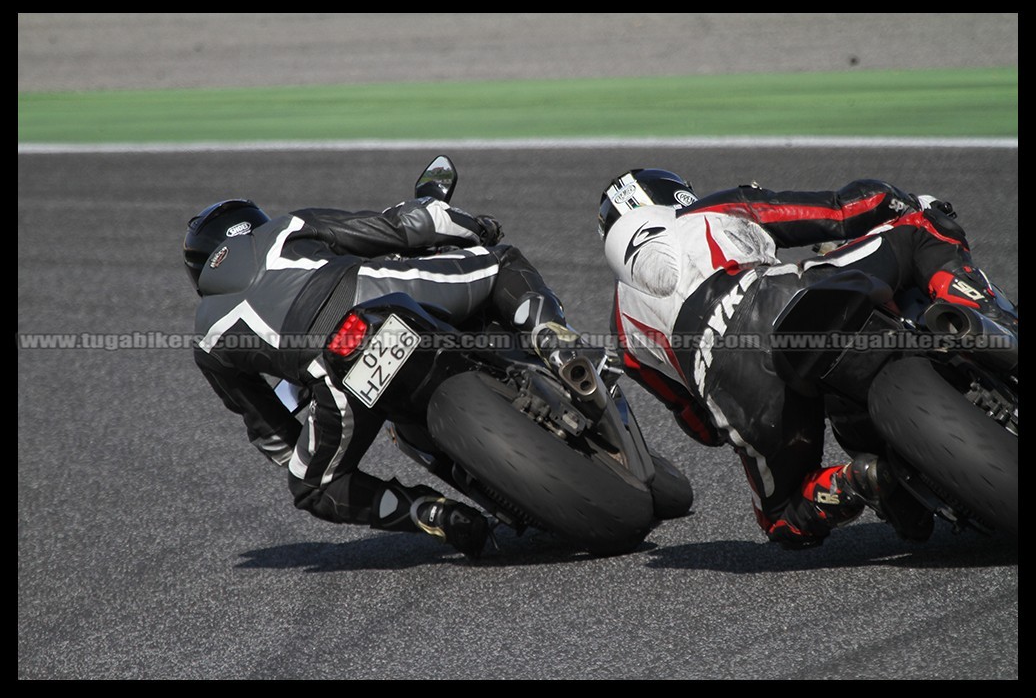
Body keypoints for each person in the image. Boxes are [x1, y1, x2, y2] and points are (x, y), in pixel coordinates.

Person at [596, 168, 1018, 549]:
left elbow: (700, 426)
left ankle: (856, 483)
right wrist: (901, 200)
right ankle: (988, 320)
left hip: (732, 390)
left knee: (782, 519)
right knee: (920, 228)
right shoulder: (708, 211)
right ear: (677, 197)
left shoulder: (621, 330)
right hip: (782, 300)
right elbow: (841, 211)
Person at [184, 190, 592, 560]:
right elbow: (403, 226)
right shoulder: (285, 227)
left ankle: (431, 514)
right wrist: (478, 228)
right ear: (254, 224)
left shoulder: (208, 339)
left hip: (332, 367)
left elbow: (269, 430)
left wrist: (309, 453)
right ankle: (555, 342)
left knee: (312, 487)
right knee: (501, 262)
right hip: (382, 294)